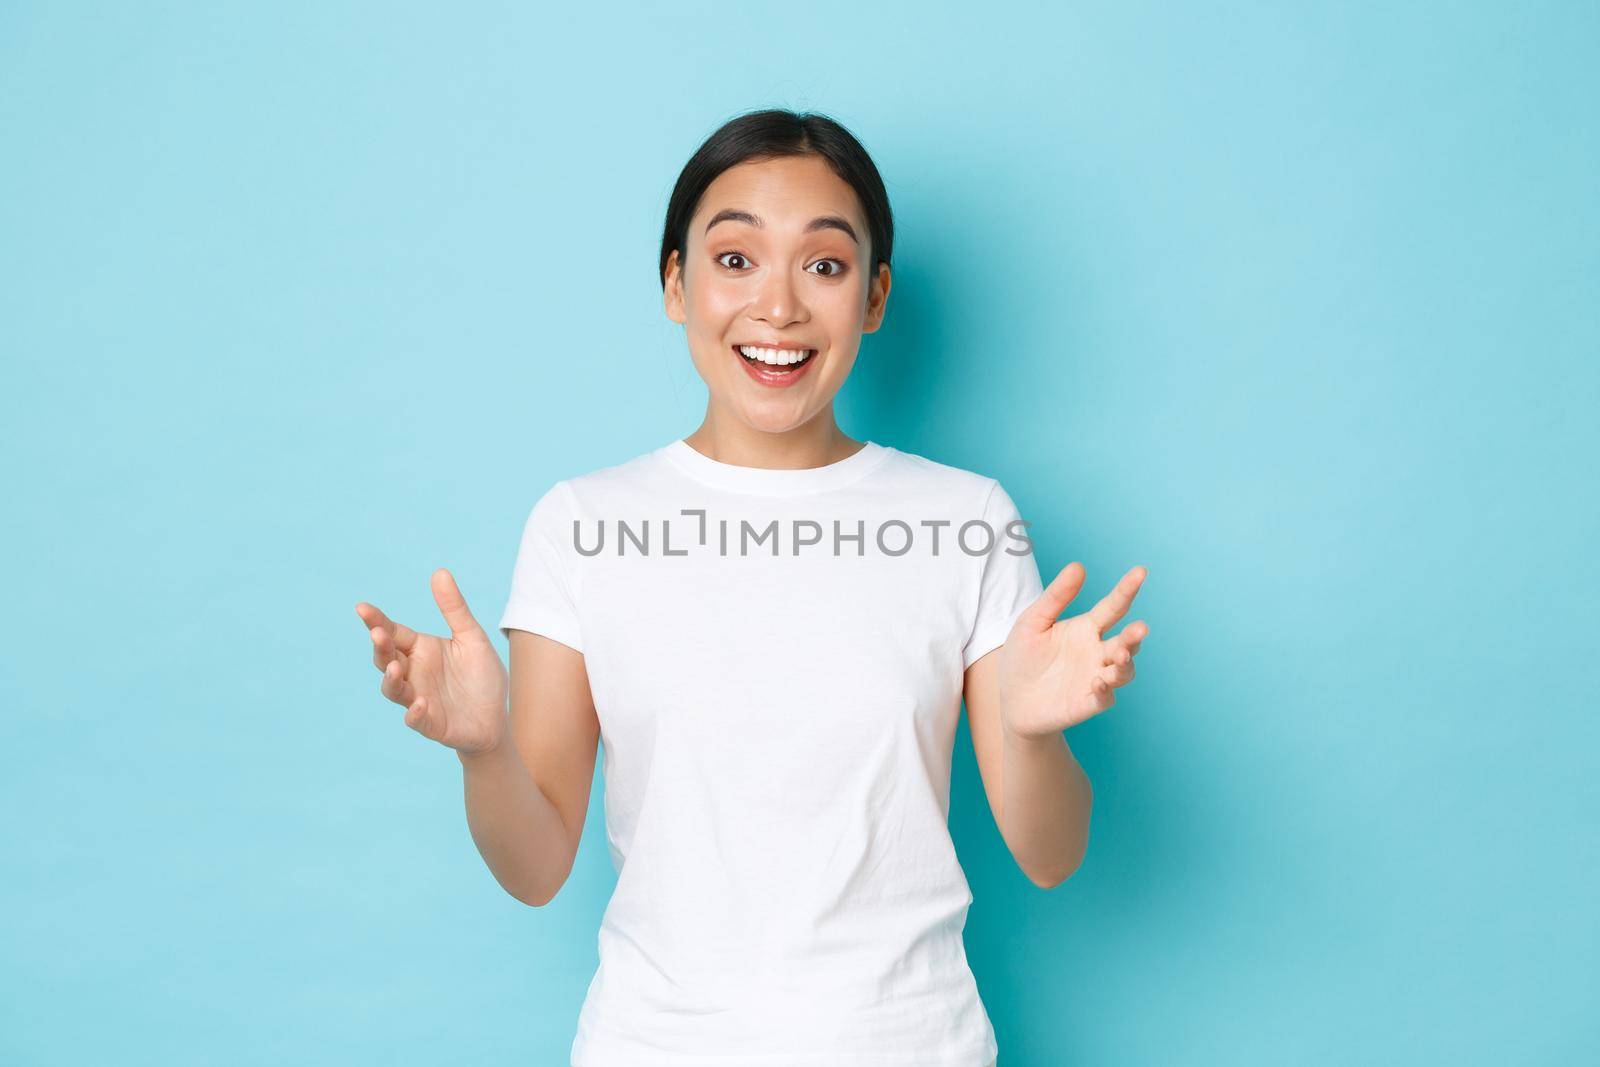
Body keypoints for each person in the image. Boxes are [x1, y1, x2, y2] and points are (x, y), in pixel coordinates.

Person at [355, 108, 1149, 1067]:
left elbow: (1050, 855)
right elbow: (534, 866)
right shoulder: (582, 524)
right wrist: (483, 752)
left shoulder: (966, 520)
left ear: (874, 296)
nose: (778, 306)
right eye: (735, 260)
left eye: (823, 264)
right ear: (675, 285)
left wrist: (1034, 728)